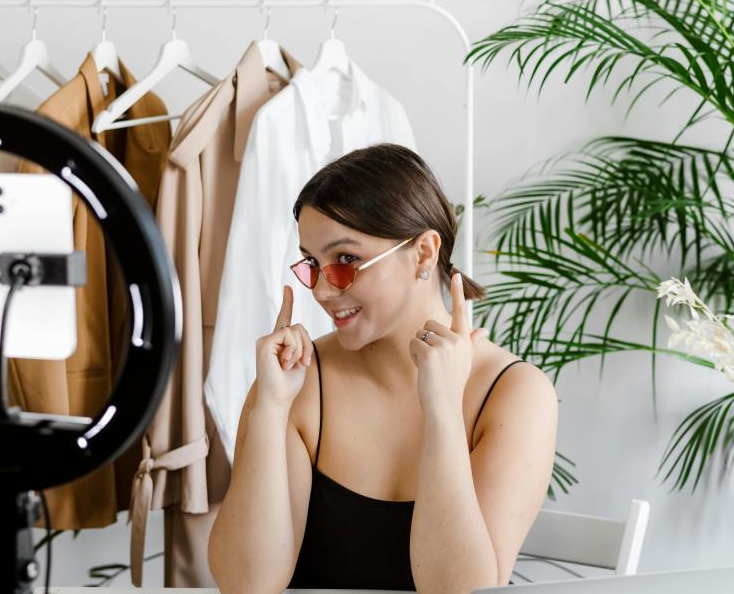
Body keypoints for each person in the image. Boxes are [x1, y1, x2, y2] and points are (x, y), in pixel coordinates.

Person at [208, 143, 558, 593]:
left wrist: (443, 410)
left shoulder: (516, 395)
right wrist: (270, 409)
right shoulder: (298, 383)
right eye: (313, 264)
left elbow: (459, 591)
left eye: (347, 260)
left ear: (424, 253)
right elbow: (246, 585)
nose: (323, 291)